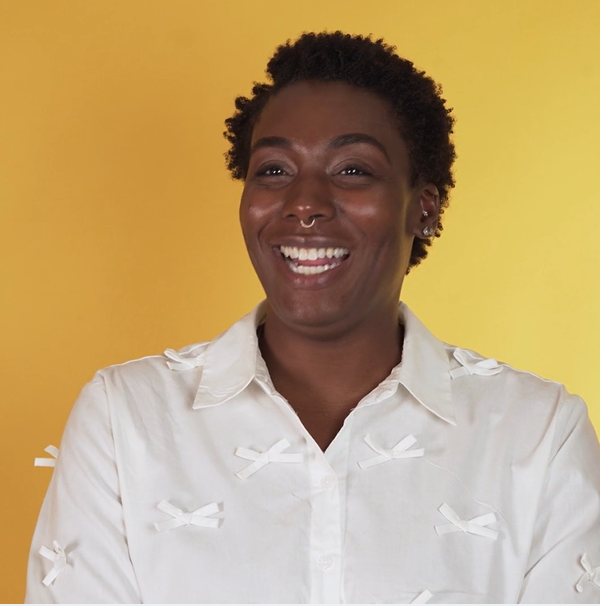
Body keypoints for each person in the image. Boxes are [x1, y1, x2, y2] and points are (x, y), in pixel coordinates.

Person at [26, 31, 600, 604]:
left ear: (423, 207)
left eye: (353, 170)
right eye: (274, 169)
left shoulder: (539, 434)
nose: (304, 202)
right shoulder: (123, 419)